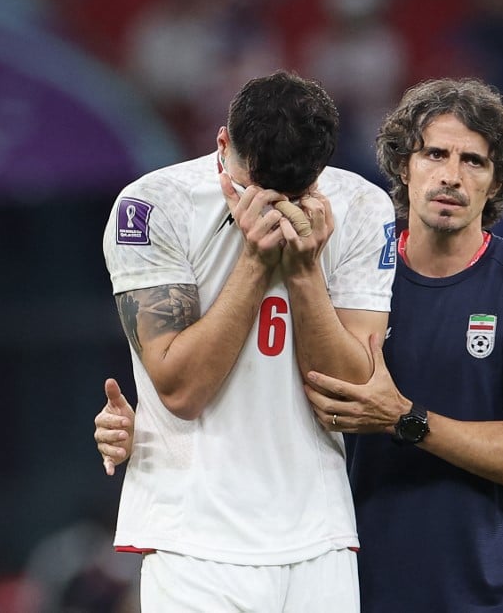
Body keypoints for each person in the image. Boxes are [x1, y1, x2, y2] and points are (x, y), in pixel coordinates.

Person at [96, 70, 397, 611]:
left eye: (294, 193)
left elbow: (352, 397)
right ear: (221, 143)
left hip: (318, 534)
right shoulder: (151, 207)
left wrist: (304, 272)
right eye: (254, 185)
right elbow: (182, 391)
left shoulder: (362, 208)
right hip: (193, 536)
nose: (273, 207)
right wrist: (257, 264)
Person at [303, 77, 503, 611]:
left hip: (495, 598)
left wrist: (404, 418)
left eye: (474, 161)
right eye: (435, 153)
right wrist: (147, 429)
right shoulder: (347, 281)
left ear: (497, 181)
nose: (451, 176)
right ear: (403, 165)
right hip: (362, 591)